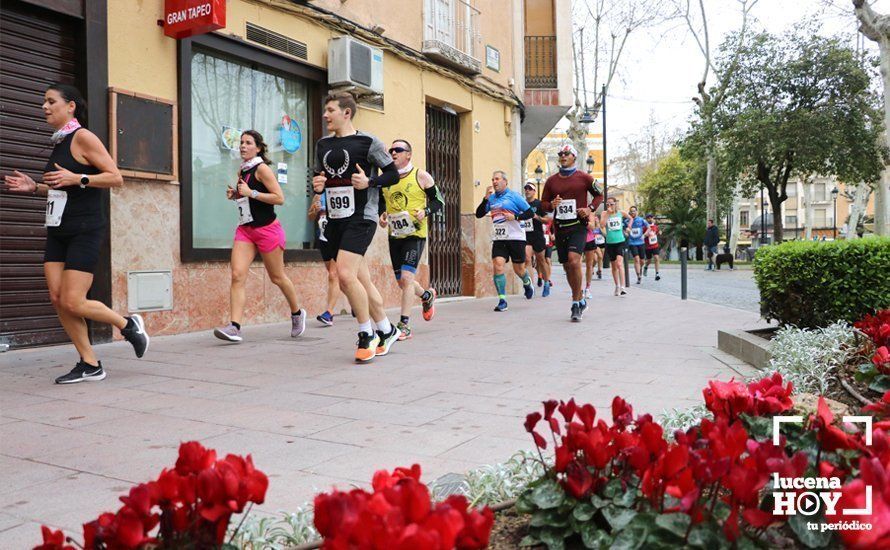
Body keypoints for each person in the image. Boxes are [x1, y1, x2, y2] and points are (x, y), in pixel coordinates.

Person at [3, 83, 149, 384]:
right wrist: (36, 187)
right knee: (58, 298)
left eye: (51, 101)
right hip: (59, 228)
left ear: (71, 106)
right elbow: (61, 187)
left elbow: (115, 177)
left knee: (73, 300)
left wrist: (78, 176)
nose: (44, 106)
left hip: (85, 228)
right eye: (43, 101)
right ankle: (90, 363)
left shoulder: (83, 137)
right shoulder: (59, 141)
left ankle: (128, 324)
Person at [312, 92, 401, 362]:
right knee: (361, 279)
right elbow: (321, 176)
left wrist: (370, 183)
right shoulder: (322, 144)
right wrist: (318, 187)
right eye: (325, 110)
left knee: (345, 275)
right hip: (336, 218)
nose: (326, 115)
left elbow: (392, 174)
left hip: (363, 216)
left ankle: (366, 333)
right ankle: (387, 329)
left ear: (346, 113)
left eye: (330, 110)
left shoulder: (368, 141)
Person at [214, 130, 306, 343]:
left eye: (248, 143)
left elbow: (279, 198)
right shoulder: (243, 170)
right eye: (241, 143)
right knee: (237, 275)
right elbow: (247, 197)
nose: (243, 146)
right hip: (246, 229)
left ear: (258, 148)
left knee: (277, 277)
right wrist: (236, 195)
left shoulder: (262, 169)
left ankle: (297, 312)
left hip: (267, 230)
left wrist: (250, 193)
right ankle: (234, 327)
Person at [379, 139, 441, 340]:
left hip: (415, 233)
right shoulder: (386, 178)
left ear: (408, 154)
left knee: (406, 279)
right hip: (395, 234)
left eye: (398, 150)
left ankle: (403, 325)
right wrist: (382, 214)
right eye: (391, 150)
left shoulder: (421, 176)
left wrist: (425, 211)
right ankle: (426, 295)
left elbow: (438, 201)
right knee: (402, 282)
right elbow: (381, 200)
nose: (393, 153)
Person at [540, 144, 603, 321]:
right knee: (568, 266)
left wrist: (589, 209)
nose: (562, 156)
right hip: (560, 227)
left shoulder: (584, 177)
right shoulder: (552, 181)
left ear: (574, 157)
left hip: (578, 226)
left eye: (566, 153)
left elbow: (599, 195)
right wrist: (551, 205)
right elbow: (543, 203)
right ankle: (580, 296)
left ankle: (575, 303)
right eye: (560, 154)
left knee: (575, 260)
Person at [475, 171, 536, 312]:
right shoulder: (491, 199)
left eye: (497, 179)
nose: (494, 182)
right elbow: (479, 214)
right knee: (498, 265)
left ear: (505, 181)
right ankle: (502, 300)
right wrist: (485, 198)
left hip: (516, 237)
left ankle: (527, 282)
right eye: (493, 179)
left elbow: (530, 213)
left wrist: (515, 217)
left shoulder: (514, 196)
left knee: (519, 269)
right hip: (499, 238)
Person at [308, 192, 341, 326]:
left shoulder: (341, 189)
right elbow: (310, 217)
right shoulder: (318, 194)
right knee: (340, 277)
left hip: (338, 237)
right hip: (323, 238)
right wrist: (315, 211)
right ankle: (357, 301)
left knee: (333, 275)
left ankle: (329, 313)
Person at [523, 183, 551, 298]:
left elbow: (547, 220)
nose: (527, 191)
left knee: (541, 260)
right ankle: (531, 286)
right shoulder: (522, 204)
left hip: (538, 235)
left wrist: (536, 217)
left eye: (530, 189)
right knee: (527, 259)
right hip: (526, 235)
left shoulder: (539, 204)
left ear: (534, 192)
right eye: (526, 189)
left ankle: (546, 283)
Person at [600, 197, 631, 296]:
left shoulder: (620, 213)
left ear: (615, 204)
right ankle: (617, 285)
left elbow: (631, 218)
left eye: (611, 204)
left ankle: (623, 287)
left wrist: (628, 228)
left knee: (619, 264)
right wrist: (608, 214)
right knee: (613, 266)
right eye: (607, 204)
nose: (609, 206)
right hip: (610, 243)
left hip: (620, 241)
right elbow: (602, 225)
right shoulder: (604, 213)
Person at [624, 206, 649, 285]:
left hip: (641, 242)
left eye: (634, 211)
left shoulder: (641, 220)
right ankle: (638, 276)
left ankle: (640, 269)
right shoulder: (627, 221)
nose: (632, 213)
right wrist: (626, 232)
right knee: (636, 259)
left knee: (642, 261)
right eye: (631, 211)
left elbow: (649, 228)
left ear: (636, 212)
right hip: (632, 243)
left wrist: (644, 235)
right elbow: (624, 230)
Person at [583, 216, 605, 298]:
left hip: (592, 241)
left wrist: (597, 223)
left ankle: (587, 288)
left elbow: (594, 228)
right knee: (593, 259)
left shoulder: (592, 213)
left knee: (597, 258)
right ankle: (576, 288)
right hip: (579, 239)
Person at [643, 213, 661, 281]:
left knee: (656, 258)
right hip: (648, 247)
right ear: (646, 219)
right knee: (649, 260)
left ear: (653, 218)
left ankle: (657, 274)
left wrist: (660, 233)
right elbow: (642, 236)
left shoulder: (656, 227)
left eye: (651, 217)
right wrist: (645, 235)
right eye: (648, 218)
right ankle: (646, 267)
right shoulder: (645, 227)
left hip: (655, 245)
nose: (650, 219)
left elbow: (657, 232)